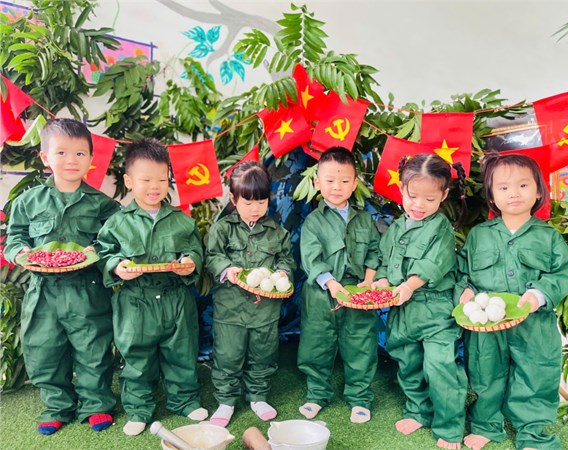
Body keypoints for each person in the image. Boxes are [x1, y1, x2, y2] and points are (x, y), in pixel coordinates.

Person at [5, 118, 120, 435]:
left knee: (93, 349)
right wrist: (20, 252)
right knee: (44, 350)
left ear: (91, 158)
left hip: (87, 290)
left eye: (80, 153)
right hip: (43, 291)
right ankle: (57, 406)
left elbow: (115, 240)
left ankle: (96, 404)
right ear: (45, 157)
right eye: (61, 153)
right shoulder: (28, 201)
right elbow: (15, 238)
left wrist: (97, 251)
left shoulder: (102, 204)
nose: (71, 160)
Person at [457, 153, 568, 450]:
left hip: (534, 325)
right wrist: (465, 290)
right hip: (487, 326)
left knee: (535, 374)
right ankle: (486, 425)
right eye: (504, 187)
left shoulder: (548, 236)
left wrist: (538, 295)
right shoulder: (479, 235)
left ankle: (532, 433)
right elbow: (462, 271)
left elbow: (564, 272)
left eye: (523, 185)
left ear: (538, 191)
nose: (514, 193)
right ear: (492, 196)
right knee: (485, 373)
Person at [96, 138, 207, 436]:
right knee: (137, 359)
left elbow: (195, 250)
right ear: (129, 181)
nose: (155, 186)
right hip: (136, 301)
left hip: (176, 299)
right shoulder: (117, 223)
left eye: (162, 178)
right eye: (146, 180)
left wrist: (191, 262)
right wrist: (117, 265)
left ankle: (185, 400)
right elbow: (104, 253)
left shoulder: (181, 220)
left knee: (181, 353)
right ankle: (138, 409)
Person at [372, 153, 467, 449]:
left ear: (444, 195)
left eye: (429, 198)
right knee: (408, 362)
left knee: (440, 366)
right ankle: (418, 411)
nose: (419, 205)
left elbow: (433, 264)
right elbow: (385, 261)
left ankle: (450, 427)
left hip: (435, 309)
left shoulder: (441, 228)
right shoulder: (397, 227)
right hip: (403, 311)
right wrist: (381, 281)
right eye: (412, 196)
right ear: (401, 189)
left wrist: (409, 285)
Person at [205, 161, 295, 427]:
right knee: (227, 356)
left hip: (265, 311)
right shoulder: (222, 228)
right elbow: (212, 256)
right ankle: (226, 400)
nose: (255, 208)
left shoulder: (277, 232)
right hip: (230, 310)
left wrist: (283, 273)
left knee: (263, 354)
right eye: (248, 202)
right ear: (233, 199)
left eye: (261, 202)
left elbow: (286, 259)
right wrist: (226, 269)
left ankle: (258, 396)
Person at [297, 147, 381, 424]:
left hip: (358, 292)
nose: (337, 187)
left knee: (361, 344)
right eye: (330, 180)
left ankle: (360, 398)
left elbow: (375, 251)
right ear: (317, 183)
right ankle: (316, 394)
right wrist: (331, 283)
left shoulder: (364, 219)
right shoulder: (313, 221)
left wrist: (369, 279)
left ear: (355, 183)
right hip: (322, 293)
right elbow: (310, 257)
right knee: (316, 344)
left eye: (344, 180)